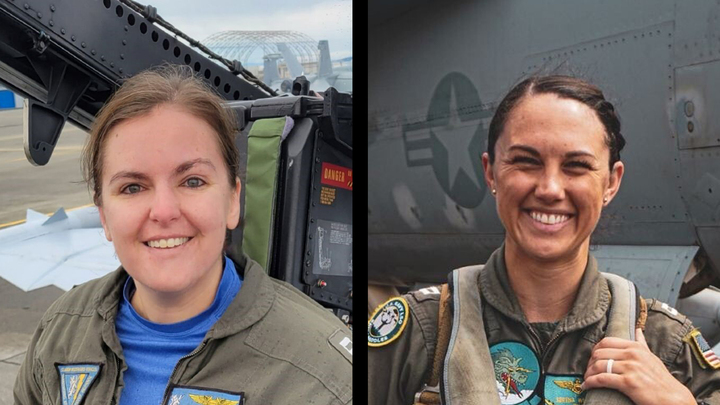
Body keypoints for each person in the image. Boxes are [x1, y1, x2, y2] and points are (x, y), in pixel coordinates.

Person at [367, 75, 720, 405]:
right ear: (491, 172)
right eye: (525, 161)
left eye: (577, 166)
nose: (550, 189)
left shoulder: (665, 344)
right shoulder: (420, 334)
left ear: (611, 183)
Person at [14, 64, 352, 405]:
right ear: (104, 216)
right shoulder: (59, 332)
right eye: (132, 187)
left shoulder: (323, 378)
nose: (163, 211)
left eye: (192, 181)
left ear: (233, 200)